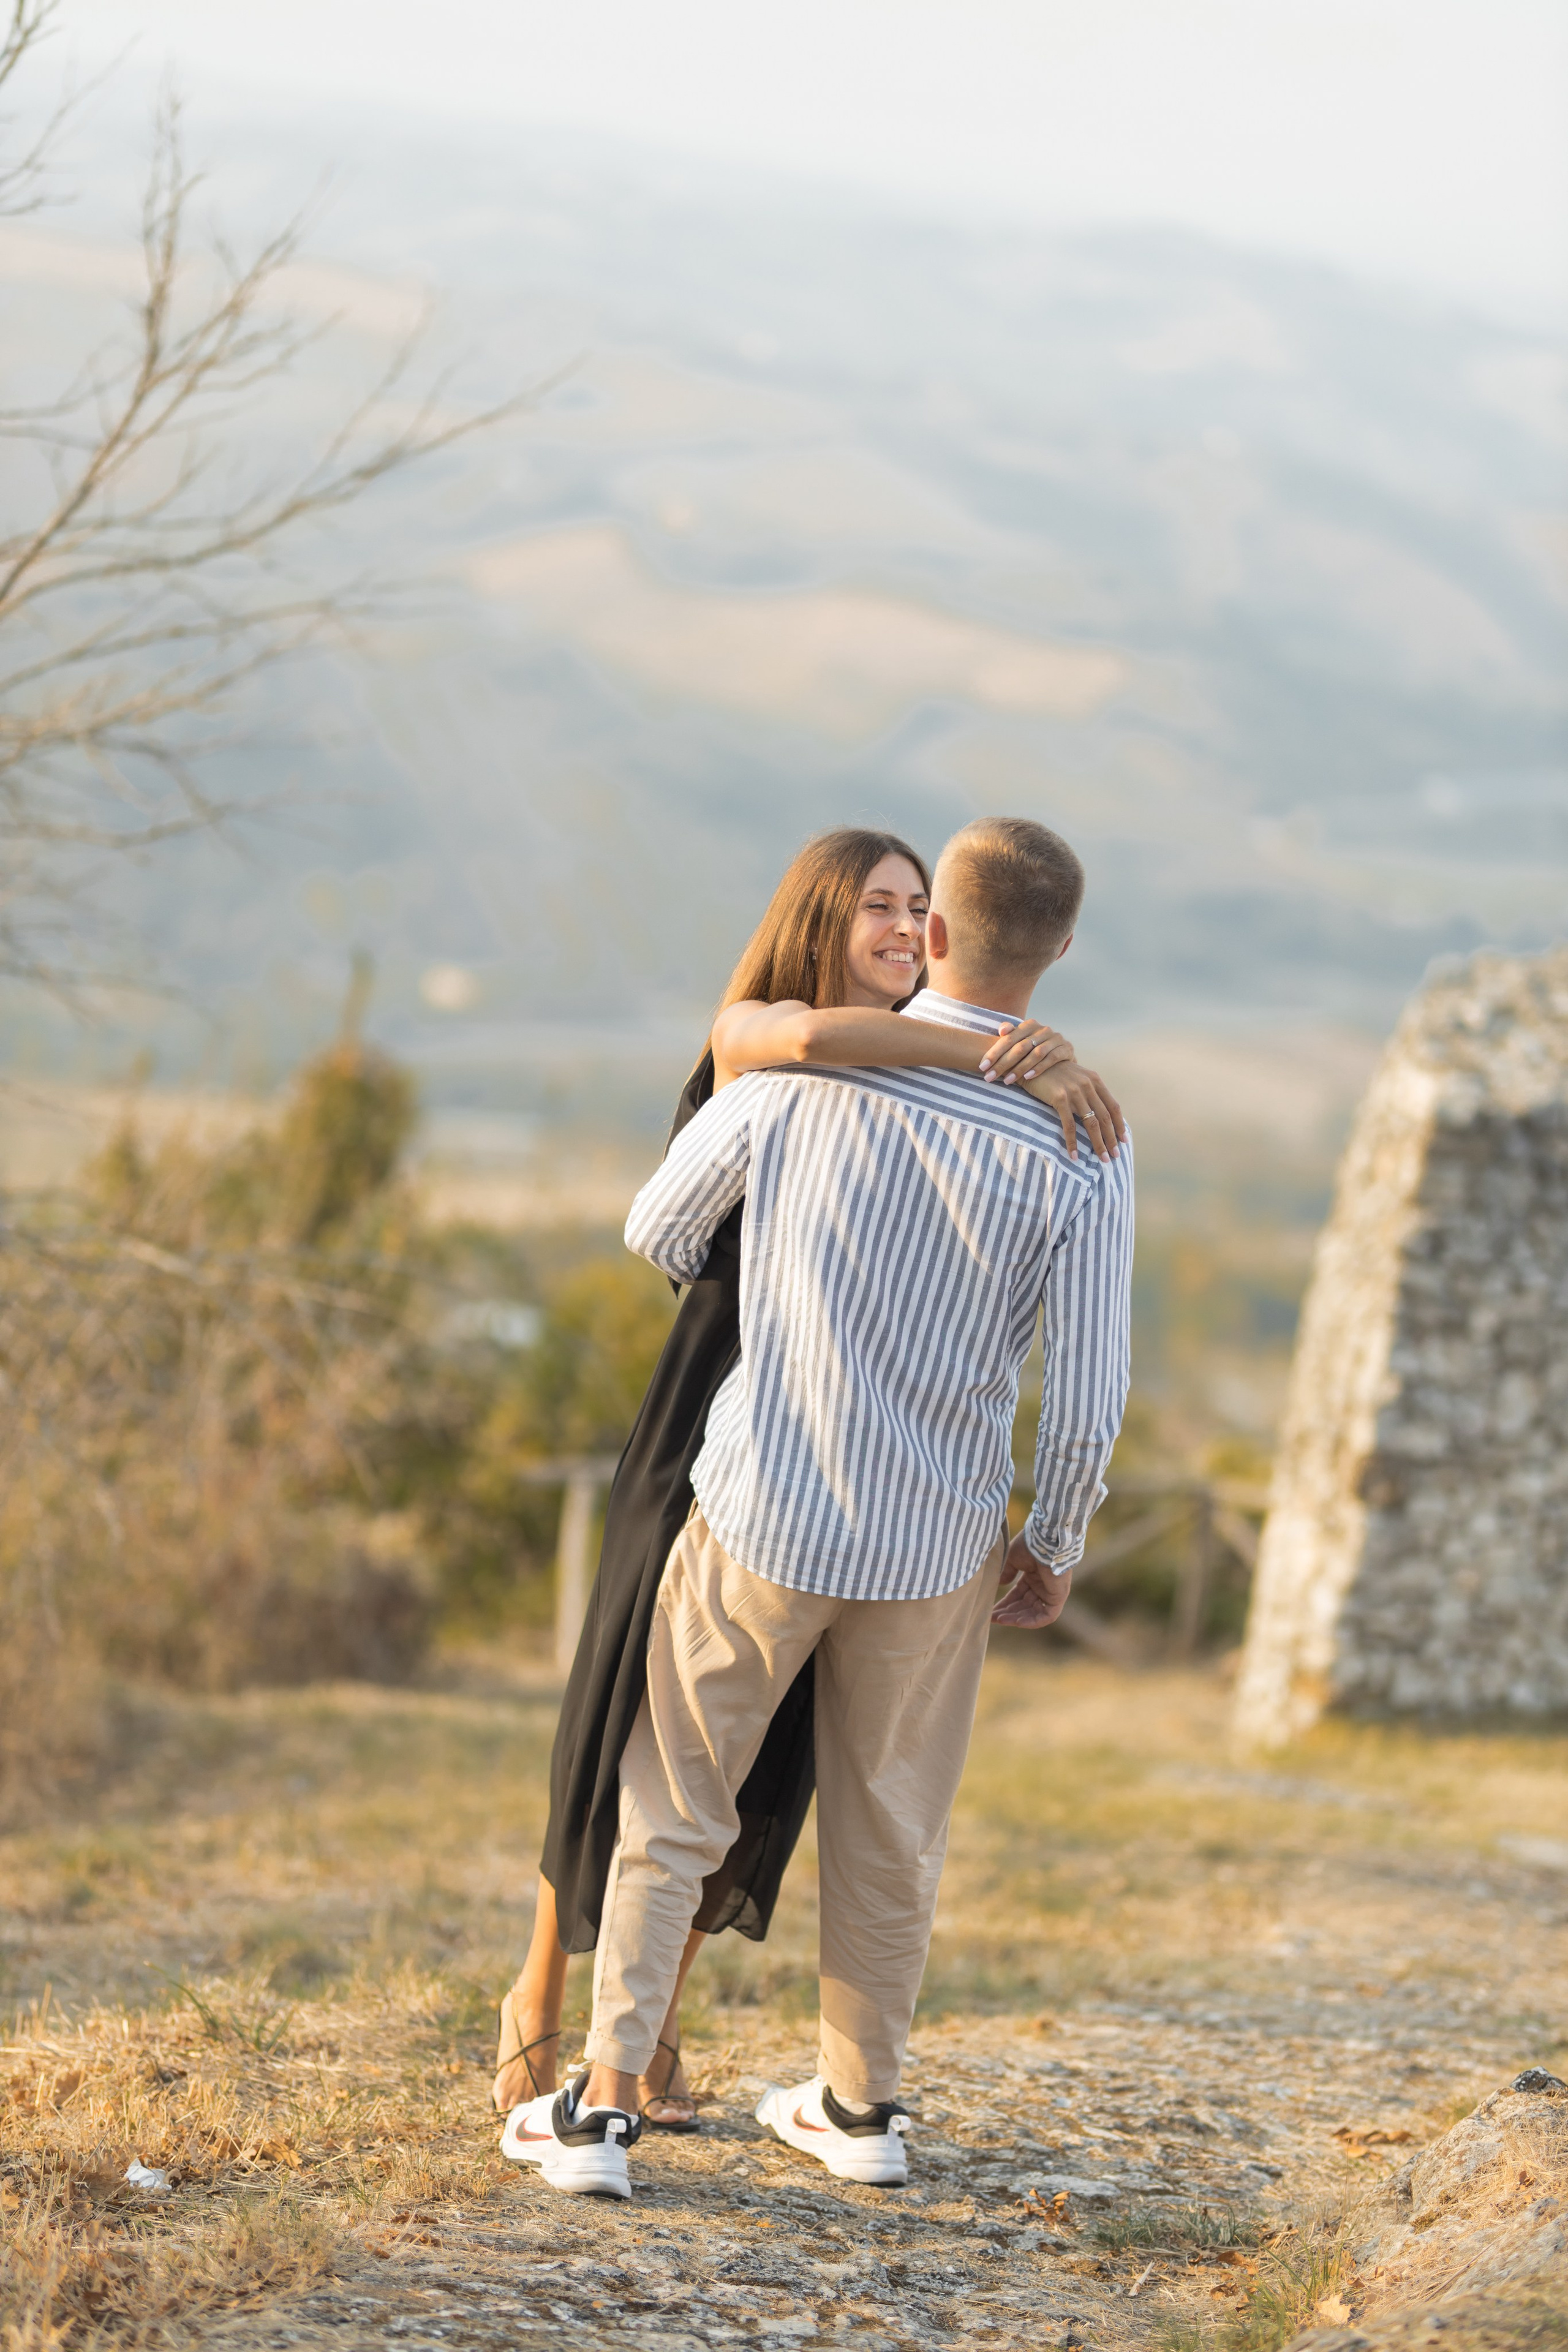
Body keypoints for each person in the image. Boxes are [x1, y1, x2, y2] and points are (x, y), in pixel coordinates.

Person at [522, 815, 1134, 2201]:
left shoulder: (811, 1075)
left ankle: (604, 2110)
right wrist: (1054, 1540)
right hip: (935, 1539)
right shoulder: (1084, 1128)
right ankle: (860, 2111)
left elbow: (661, 1231)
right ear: (1063, 948)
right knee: (890, 1826)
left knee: (673, 1802)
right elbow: (1090, 1387)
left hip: (762, 1502)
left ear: (930, 934)